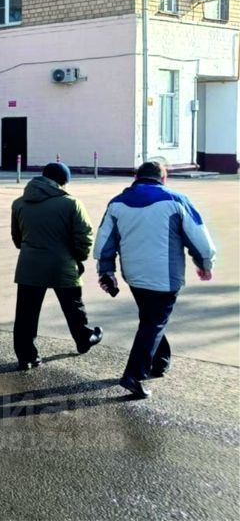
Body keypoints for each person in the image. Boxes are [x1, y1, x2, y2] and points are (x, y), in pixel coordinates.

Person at [94, 160, 217, 400]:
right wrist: (204, 264)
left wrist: (106, 270)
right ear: (164, 178)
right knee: (154, 323)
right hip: (165, 276)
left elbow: (104, 242)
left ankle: (160, 362)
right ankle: (134, 375)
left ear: (136, 178)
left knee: (151, 319)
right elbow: (200, 240)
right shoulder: (176, 201)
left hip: (133, 276)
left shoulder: (116, 203)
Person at [10, 162, 103, 371]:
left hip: (29, 266)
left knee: (26, 313)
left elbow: (17, 238)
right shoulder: (71, 203)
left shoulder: (19, 203)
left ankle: (26, 357)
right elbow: (84, 236)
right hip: (62, 264)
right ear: (63, 181)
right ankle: (84, 339)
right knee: (73, 307)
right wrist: (79, 257)